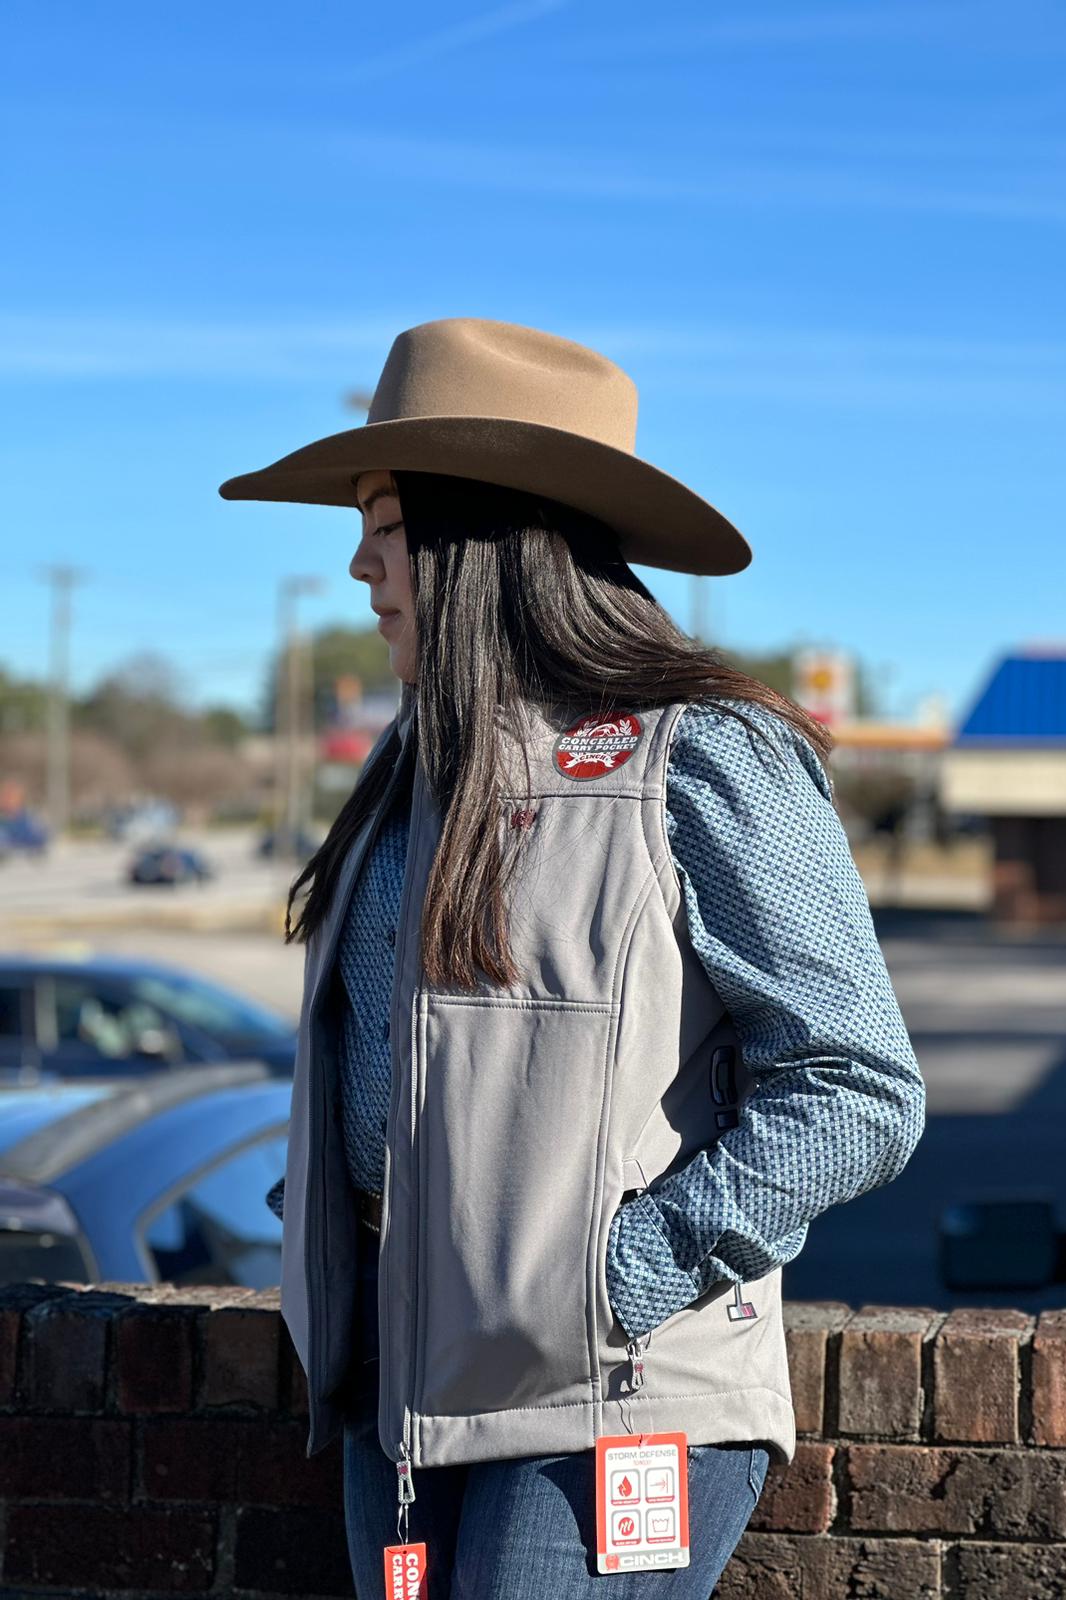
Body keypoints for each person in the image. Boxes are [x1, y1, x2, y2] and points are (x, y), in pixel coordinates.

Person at [220, 317, 926, 1599]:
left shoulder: (705, 754)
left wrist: (625, 1274)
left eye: (384, 522)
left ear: (480, 536)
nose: (357, 564)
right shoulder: (405, 774)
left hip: (609, 1392)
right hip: (401, 1386)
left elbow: (858, 1087)